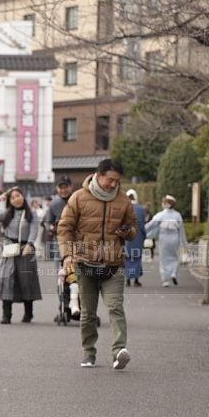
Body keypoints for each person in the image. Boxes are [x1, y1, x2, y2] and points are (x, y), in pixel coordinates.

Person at [57, 158, 137, 369]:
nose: (113, 185)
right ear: (98, 175)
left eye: (117, 181)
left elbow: (133, 228)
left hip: (113, 264)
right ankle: (89, 353)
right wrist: (67, 255)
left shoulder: (123, 200)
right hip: (85, 264)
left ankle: (119, 351)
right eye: (110, 180)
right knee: (88, 313)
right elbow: (65, 228)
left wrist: (128, 232)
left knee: (115, 307)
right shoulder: (79, 198)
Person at [0, 187, 42, 323]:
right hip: (9, 249)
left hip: (26, 249)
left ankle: (28, 312)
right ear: (10, 201)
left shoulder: (32, 213)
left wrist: (30, 244)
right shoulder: (7, 213)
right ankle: (6, 314)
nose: (16, 199)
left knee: (26, 280)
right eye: (12, 198)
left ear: (23, 196)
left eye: (18, 196)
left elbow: (34, 229)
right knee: (7, 280)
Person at [145, 195, 187, 287]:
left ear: (165, 204)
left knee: (164, 259)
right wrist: (184, 242)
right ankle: (173, 273)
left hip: (164, 237)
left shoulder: (161, 215)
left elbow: (150, 225)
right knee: (175, 257)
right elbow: (181, 229)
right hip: (175, 237)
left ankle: (165, 280)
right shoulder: (177, 215)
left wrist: (141, 230)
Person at [43, 176, 73, 265]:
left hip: (75, 240)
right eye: (61, 187)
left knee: (75, 271)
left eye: (66, 187)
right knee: (60, 271)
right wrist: (51, 228)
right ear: (57, 188)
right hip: (59, 240)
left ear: (71, 186)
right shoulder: (54, 203)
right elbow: (48, 222)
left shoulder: (77, 200)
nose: (63, 190)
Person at [124, 189, 147, 287]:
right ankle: (136, 279)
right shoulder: (141, 209)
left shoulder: (124, 208)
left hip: (126, 237)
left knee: (127, 258)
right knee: (137, 258)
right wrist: (144, 236)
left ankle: (128, 279)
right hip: (138, 236)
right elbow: (142, 226)